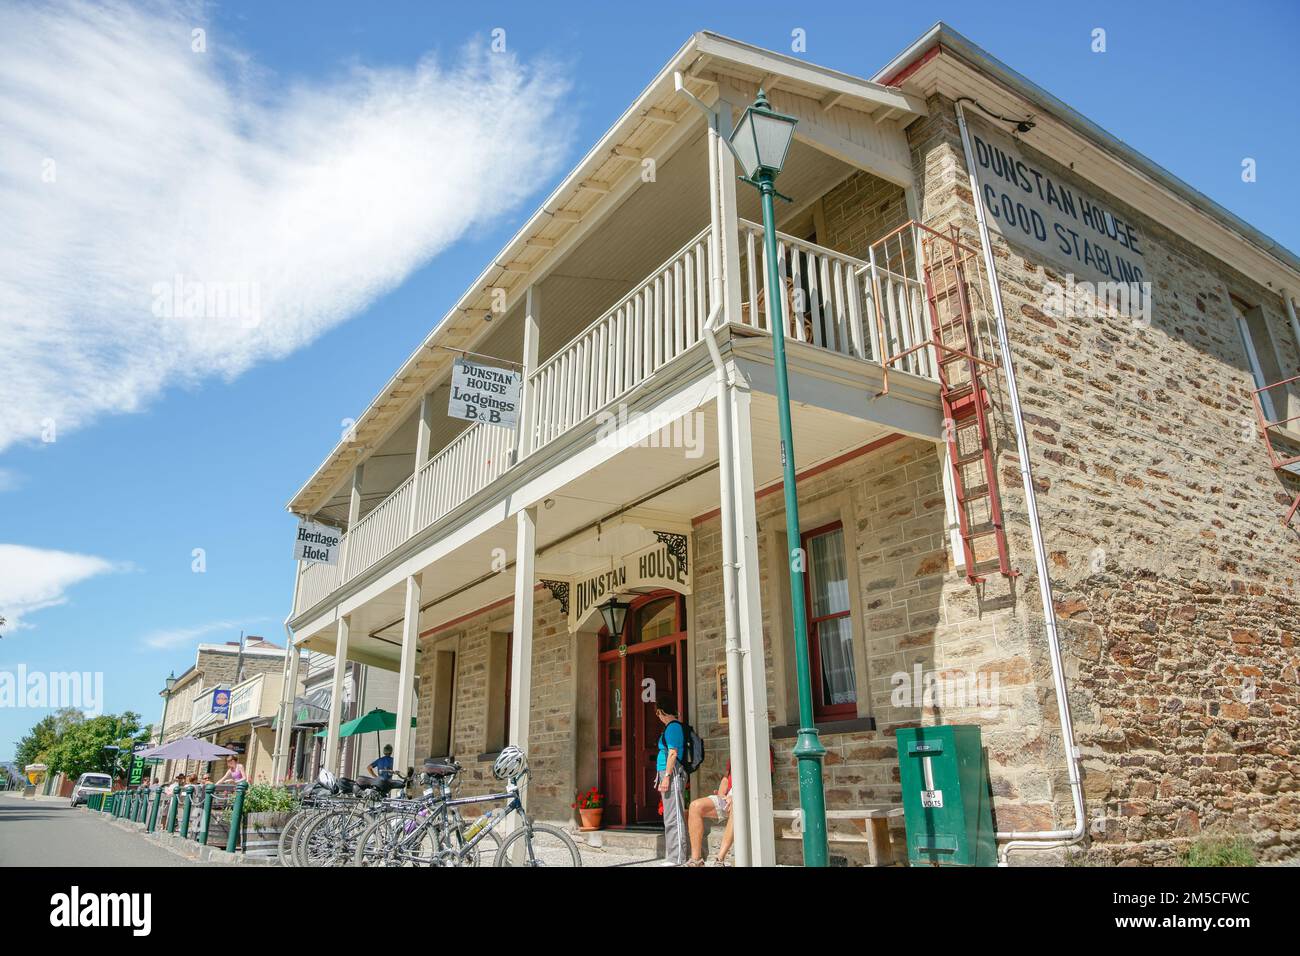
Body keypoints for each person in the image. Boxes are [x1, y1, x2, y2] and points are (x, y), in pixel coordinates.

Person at [654, 695, 688, 866]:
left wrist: (666, 776)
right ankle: (674, 856)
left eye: (657, 713)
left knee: (674, 815)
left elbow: (673, 753)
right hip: (668, 773)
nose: (658, 717)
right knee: (670, 815)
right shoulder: (671, 727)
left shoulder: (673, 727)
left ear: (661, 711)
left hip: (673, 774)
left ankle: (677, 857)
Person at [685, 761, 735, 867]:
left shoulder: (761, 753)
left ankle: (719, 860)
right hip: (728, 798)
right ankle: (696, 860)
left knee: (737, 807)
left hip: (747, 799)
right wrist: (723, 795)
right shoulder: (735, 753)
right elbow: (726, 778)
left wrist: (736, 797)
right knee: (695, 806)